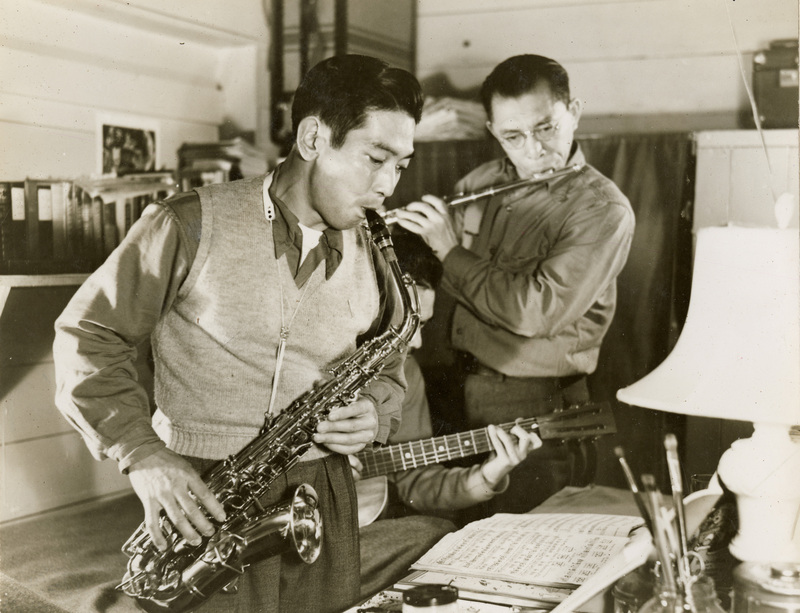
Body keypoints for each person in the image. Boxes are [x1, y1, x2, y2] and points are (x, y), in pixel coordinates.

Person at [53, 54, 423, 613]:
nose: (388, 185)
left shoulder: (375, 255)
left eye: (402, 165)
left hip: (323, 498)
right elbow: (87, 335)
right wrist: (142, 454)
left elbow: (390, 363)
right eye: (376, 158)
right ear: (313, 137)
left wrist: (375, 412)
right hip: (203, 497)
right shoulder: (185, 221)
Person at [393, 54, 635, 515]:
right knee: (461, 533)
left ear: (574, 112)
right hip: (460, 391)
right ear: (491, 131)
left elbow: (535, 312)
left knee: (526, 543)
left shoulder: (602, 208)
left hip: (537, 405)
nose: (533, 149)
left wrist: (449, 249)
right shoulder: (479, 183)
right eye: (512, 136)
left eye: (546, 128)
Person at [353, 231, 543, 599]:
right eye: (410, 324)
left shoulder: (406, 374)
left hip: (344, 539)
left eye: (422, 325)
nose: (418, 343)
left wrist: (488, 474)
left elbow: (416, 483)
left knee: (436, 532)